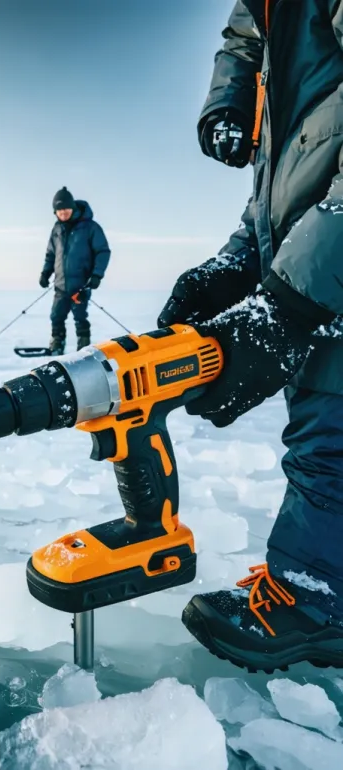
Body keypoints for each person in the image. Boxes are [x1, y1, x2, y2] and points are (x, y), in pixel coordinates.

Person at [158, 0, 343, 672]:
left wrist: (290, 303)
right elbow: (293, 176)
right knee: (326, 419)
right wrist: (236, 263)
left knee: (334, 434)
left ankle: (314, 600)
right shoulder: (278, 27)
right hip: (326, 254)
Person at [39, 187, 111, 355]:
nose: (63, 212)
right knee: (56, 317)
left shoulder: (90, 227)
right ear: (55, 212)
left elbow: (103, 251)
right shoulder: (56, 229)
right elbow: (51, 254)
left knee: (80, 317)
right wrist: (45, 273)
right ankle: (57, 344)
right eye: (59, 210)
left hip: (81, 285)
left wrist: (96, 275)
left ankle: (83, 348)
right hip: (60, 285)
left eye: (65, 208)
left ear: (72, 208)